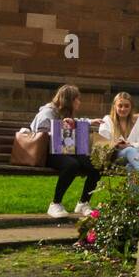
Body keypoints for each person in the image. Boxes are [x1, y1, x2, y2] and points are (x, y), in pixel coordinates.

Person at [32, 84, 102, 219]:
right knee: (71, 165)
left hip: (62, 149)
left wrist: (90, 121)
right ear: (69, 101)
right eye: (77, 99)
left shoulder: (64, 113)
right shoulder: (47, 112)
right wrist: (59, 128)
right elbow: (40, 134)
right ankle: (55, 203)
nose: (79, 102)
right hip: (46, 152)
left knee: (95, 166)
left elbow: (74, 123)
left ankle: (83, 203)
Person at [96, 91, 139, 183]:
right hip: (117, 157)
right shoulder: (107, 120)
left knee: (131, 166)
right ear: (114, 106)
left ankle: (133, 197)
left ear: (131, 107)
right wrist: (117, 145)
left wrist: (129, 145)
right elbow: (104, 146)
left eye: (126, 106)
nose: (123, 109)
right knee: (130, 150)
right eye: (120, 106)